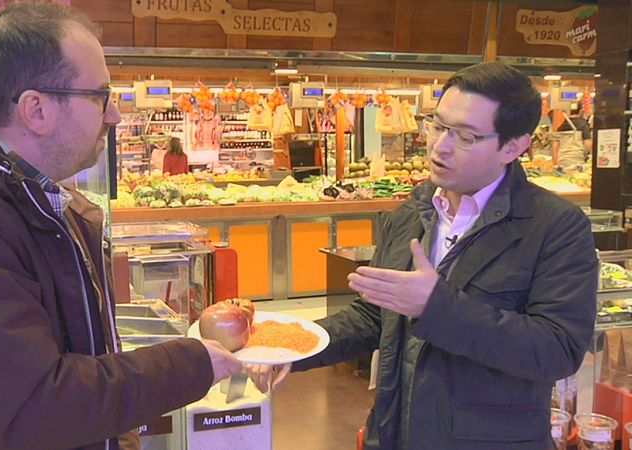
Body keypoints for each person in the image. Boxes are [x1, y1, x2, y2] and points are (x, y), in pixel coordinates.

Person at [0, 4, 241, 450]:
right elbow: (31, 405)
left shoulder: (32, 196)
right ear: (35, 109)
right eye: (101, 96)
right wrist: (192, 364)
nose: (113, 116)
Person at [249, 62, 597, 450]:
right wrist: (293, 350)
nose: (439, 146)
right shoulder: (411, 214)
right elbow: (374, 316)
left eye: (465, 136)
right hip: (397, 431)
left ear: (513, 146)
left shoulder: (556, 227)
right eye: (437, 125)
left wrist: (437, 306)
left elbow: (558, 350)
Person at [551, 102, 592, 168]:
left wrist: (556, 163)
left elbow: (554, 146)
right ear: (581, 111)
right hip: (577, 161)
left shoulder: (561, 127)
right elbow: (588, 144)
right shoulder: (583, 125)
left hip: (562, 161)